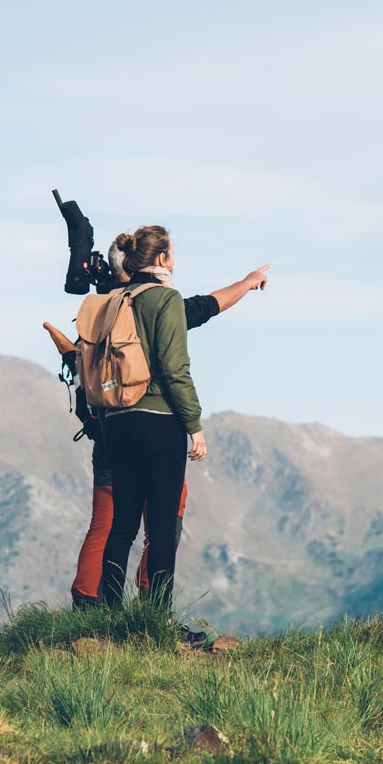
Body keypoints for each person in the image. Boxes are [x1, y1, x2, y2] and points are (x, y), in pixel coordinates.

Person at [57, 243, 269, 607]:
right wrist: (248, 283)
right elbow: (210, 305)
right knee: (163, 517)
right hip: (155, 424)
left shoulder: (105, 307)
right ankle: (151, 608)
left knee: (108, 520)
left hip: (109, 429)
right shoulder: (157, 303)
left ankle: (90, 602)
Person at [90, 225, 235, 610]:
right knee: (162, 527)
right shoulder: (164, 299)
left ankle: (108, 612)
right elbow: (174, 369)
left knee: (122, 524)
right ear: (161, 259)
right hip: (158, 419)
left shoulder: (113, 298)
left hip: (116, 420)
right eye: (172, 252)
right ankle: (155, 617)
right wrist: (195, 426)